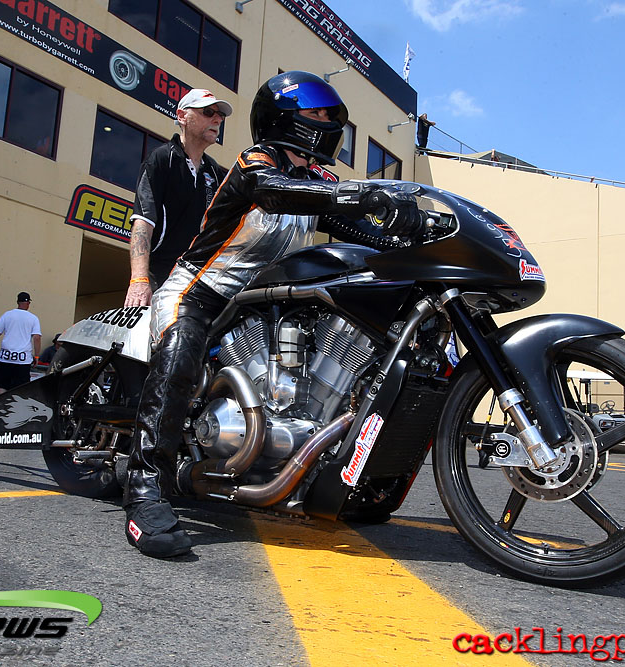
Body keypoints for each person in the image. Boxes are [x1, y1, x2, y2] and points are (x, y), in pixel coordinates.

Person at [121, 71, 423, 558]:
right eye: (316, 113)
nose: (326, 122)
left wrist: (410, 230)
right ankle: (144, 487)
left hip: (260, 302)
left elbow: (358, 227)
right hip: (201, 290)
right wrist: (359, 195)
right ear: (285, 118)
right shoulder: (255, 163)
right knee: (180, 352)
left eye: (329, 115)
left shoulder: (316, 182)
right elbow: (274, 190)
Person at [123, 88, 231, 307]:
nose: (217, 119)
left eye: (220, 115)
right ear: (182, 116)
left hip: (198, 281)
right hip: (160, 276)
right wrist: (139, 280)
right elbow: (143, 221)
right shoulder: (162, 159)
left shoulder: (214, 171)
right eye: (208, 112)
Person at [0, 292, 41, 394]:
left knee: (2, 384)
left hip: (5, 357)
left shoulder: (7, 315)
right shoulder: (33, 318)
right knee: (21, 387)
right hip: (22, 359)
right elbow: (36, 338)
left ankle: (3, 401)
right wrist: (36, 356)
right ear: (28, 303)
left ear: (17, 302)